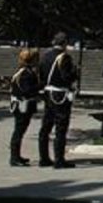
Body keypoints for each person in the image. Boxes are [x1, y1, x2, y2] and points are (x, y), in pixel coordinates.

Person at [38, 32, 79, 169]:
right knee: (61, 127)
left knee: (46, 126)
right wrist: (75, 72)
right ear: (64, 43)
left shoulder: (45, 56)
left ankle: (43, 157)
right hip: (60, 94)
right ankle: (59, 159)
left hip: (48, 92)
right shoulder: (64, 57)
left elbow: (42, 75)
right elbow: (66, 77)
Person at [9, 49, 41, 167]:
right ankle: (14, 157)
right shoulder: (26, 73)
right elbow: (27, 90)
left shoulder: (22, 71)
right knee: (18, 131)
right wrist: (40, 86)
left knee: (19, 131)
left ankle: (17, 155)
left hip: (20, 105)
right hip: (23, 105)